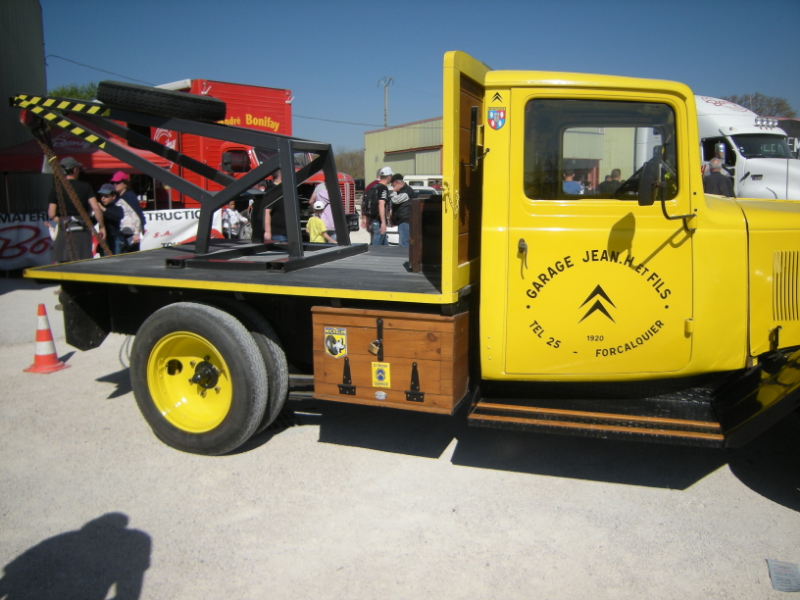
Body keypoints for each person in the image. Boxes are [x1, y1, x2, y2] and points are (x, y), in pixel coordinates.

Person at [47, 156, 106, 262]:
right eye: (78, 169)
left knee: (64, 262)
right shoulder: (85, 186)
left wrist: (61, 219)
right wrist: (102, 226)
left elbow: (51, 213)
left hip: (64, 228)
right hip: (82, 228)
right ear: (74, 169)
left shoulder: (56, 188)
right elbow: (96, 208)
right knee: (82, 261)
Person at [96, 183, 141, 255]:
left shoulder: (117, 208)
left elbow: (118, 216)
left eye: (106, 196)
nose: (103, 198)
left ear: (113, 196)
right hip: (105, 239)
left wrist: (103, 209)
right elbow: (93, 220)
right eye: (101, 196)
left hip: (115, 239)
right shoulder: (100, 211)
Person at [110, 171, 146, 250]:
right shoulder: (119, 197)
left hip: (131, 234)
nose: (115, 184)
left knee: (131, 254)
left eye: (117, 182)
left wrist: (136, 234)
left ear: (125, 184)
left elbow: (137, 216)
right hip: (123, 232)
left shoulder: (129, 196)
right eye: (113, 183)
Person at [362, 166, 392, 245]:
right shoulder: (383, 188)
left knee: (385, 246)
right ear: (389, 177)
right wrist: (383, 222)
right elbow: (381, 205)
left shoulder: (372, 187)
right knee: (376, 247)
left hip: (372, 220)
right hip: (378, 221)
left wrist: (366, 219)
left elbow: (365, 204)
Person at [262, 169, 287, 242]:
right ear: (281, 176)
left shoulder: (284, 189)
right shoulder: (271, 190)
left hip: (289, 231)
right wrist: (267, 232)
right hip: (278, 234)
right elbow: (266, 211)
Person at [389, 173, 414, 247]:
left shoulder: (407, 191)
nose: (392, 186)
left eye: (392, 184)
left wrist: (394, 191)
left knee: (403, 244)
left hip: (404, 221)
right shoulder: (401, 191)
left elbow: (395, 200)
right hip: (401, 221)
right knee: (403, 243)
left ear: (396, 182)